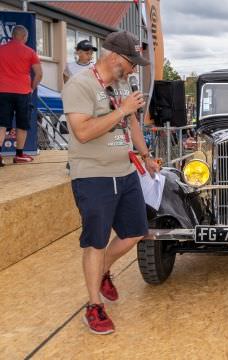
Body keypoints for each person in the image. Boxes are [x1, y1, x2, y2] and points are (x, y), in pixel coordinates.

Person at [62, 31, 160, 335]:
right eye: (132, 63)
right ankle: (94, 306)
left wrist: (146, 156)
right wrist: (123, 109)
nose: (134, 69)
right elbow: (82, 132)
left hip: (125, 171)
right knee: (95, 241)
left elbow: (131, 122)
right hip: (93, 175)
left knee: (135, 233)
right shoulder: (80, 85)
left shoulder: (121, 84)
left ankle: (101, 269)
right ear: (116, 57)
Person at [0, 25, 43, 166]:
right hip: (23, 92)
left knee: (1, 124)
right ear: (25, 37)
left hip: (3, 91)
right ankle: (19, 155)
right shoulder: (30, 52)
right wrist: (31, 88)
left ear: (12, 36)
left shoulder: (1, 49)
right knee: (22, 125)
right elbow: (39, 74)